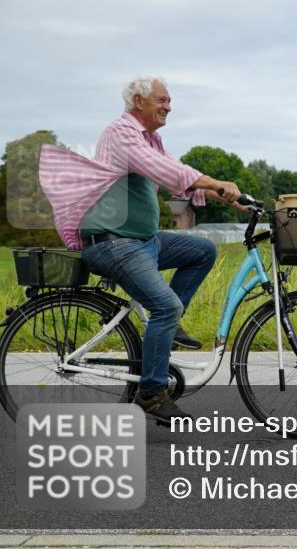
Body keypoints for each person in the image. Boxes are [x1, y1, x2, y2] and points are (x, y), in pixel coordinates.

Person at [39, 76, 244, 422]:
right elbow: (166, 171)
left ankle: (170, 328)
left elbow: (175, 178)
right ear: (138, 101)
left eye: (169, 101)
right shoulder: (122, 133)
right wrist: (215, 182)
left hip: (143, 240)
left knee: (202, 251)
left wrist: (222, 195)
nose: (168, 106)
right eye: (162, 100)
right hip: (113, 242)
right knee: (165, 306)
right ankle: (150, 392)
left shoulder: (151, 138)